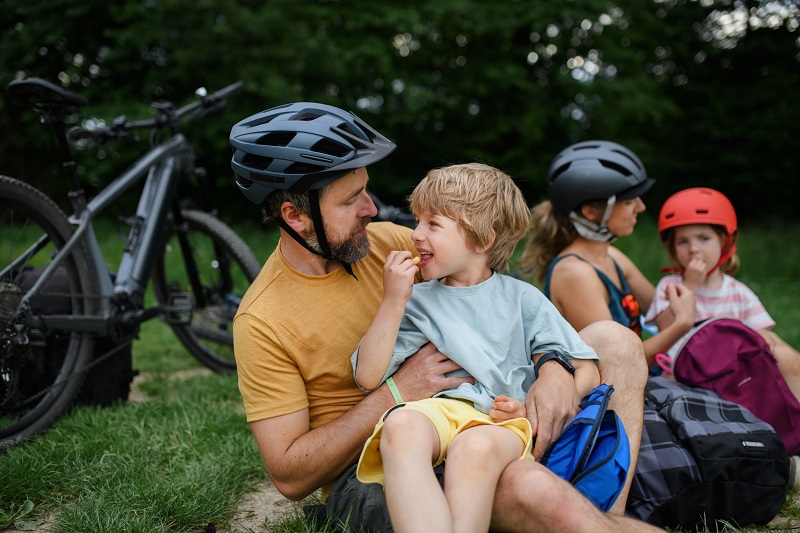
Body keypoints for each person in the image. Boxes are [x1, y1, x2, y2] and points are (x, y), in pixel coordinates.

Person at [230, 104, 656, 532]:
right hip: (381, 467)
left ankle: (608, 508)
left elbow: (492, 300)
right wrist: (396, 393)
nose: (371, 209)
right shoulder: (262, 320)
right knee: (527, 486)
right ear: (295, 216)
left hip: (491, 415)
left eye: (366, 190)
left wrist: (553, 368)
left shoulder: (388, 245)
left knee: (615, 341)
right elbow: (289, 475)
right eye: (349, 200)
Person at [350, 163, 602, 532]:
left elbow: (588, 370)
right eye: (417, 221)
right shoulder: (414, 300)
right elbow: (367, 377)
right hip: (440, 414)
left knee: (474, 447)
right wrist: (391, 302)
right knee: (401, 424)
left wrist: (532, 407)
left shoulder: (523, 300)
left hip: (502, 421)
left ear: (483, 240)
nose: (416, 235)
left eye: (433, 224)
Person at [516, 140, 697, 368]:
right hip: (613, 389)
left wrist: (694, 284)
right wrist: (681, 324)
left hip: (643, 377)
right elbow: (618, 362)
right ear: (590, 211)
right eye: (630, 201)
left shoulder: (611, 255)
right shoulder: (574, 273)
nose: (640, 207)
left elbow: (659, 308)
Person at [646, 187, 800, 404]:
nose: (693, 249)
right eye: (683, 241)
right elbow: (665, 329)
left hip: (734, 379)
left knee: (782, 353)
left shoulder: (738, 293)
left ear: (724, 242)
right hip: (682, 378)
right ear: (672, 249)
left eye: (704, 238)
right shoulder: (670, 286)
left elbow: (761, 344)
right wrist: (690, 285)